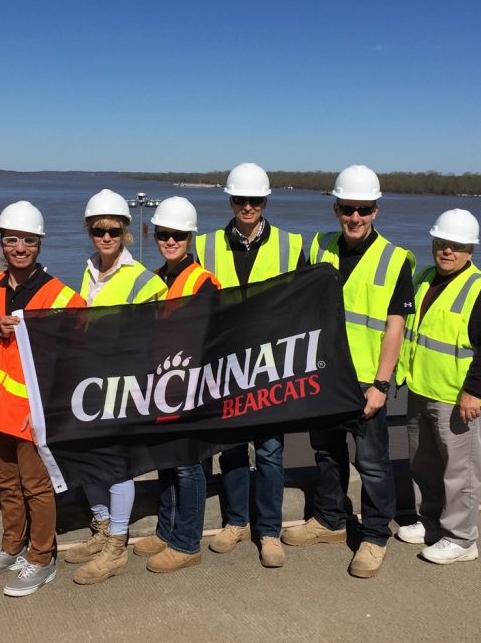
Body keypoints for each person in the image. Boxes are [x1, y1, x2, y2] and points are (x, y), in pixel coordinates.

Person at [281, 165, 414, 578]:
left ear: (376, 211)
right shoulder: (320, 245)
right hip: (323, 374)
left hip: (363, 381)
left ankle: (374, 538)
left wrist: (380, 384)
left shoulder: (395, 260)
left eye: (363, 209)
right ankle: (330, 520)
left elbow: (395, 326)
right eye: (347, 208)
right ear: (336, 208)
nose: (354, 217)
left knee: (372, 463)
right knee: (326, 452)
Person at [0, 201, 86, 597]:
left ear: (40, 245)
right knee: (7, 481)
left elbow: (79, 351)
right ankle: (10, 546)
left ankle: (41, 557)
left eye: (29, 241)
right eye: (12, 239)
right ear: (1, 241)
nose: (20, 247)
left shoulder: (61, 296)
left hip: (34, 411)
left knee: (37, 485)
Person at [194, 163, 304, 568]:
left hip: (271, 369)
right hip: (225, 369)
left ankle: (269, 531)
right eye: (240, 199)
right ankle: (236, 522)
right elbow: (186, 296)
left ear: (265, 202)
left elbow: (305, 304)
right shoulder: (205, 245)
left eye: (254, 200)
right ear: (230, 200)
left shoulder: (293, 245)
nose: (247, 206)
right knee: (232, 450)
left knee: (271, 453)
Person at [66, 188, 168, 585]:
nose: (105, 237)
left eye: (112, 230)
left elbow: (154, 339)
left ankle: (117, 546)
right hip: (87, 381)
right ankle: (102, 526)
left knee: (118, 465)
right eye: (98, 230)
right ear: (90, 231)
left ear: (125, 232)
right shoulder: (88, 269)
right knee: (88, 456)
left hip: (123, 384)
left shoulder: (143, 280)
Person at [396, 209, 481, 565]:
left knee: (461, 472)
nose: (448, 251)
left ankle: (461, 539)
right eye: (442, 243)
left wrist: (473, 391)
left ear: (470, 251)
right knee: (423, 464)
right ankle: (430, 523)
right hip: (422, 388)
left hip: (457, 398)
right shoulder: (424, 278)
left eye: (457, 246)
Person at [130, 197, 219, 574]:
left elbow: (213, 339)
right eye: (164, 234)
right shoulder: (157, 278)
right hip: (161, 386)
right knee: (165, 463)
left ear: (190, 238)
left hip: (190, 389)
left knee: (187, 465)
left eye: (177, 236)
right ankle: (166, 531)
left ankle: (187, 542)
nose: (170, 241)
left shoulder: (203, 282)